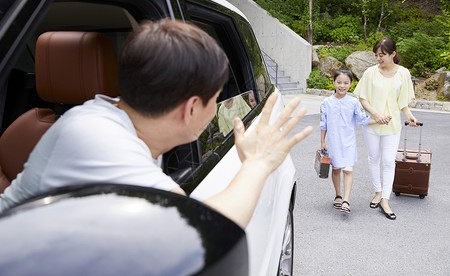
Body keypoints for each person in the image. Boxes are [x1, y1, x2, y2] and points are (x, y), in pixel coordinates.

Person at [0, 19, 313, 228]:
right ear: (191, 108)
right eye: (216, 98)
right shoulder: (95, 137)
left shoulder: (105, 116)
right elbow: (200, 232)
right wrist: (257, 164)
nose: (218, 108)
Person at [353, 37, 418, 220]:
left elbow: (402, 101)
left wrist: (409, 115)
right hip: (373, 124)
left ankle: (385, 199)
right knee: (374, 158)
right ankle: (377, 191)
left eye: (382, 55)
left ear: (393, 54)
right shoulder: (370, 72)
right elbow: (362, 98)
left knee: (389, 161)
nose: (378, 58)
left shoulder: (403, 73)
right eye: (376, 55)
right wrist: (377, 115)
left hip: (392, 125)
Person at [320, 70, 376, 214]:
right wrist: (322, 141)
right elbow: (323, 124)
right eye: (339, 82)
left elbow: (363, 119)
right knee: (336, 169)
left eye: (346, 83)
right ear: (333, 83)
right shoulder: (326, 102)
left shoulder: (354, 102)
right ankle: (338, 195)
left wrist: (379, 120)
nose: (342, 86)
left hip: (349, 142)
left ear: (351, 84)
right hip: (333, 142)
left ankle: (346, 200)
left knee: (348, 170)